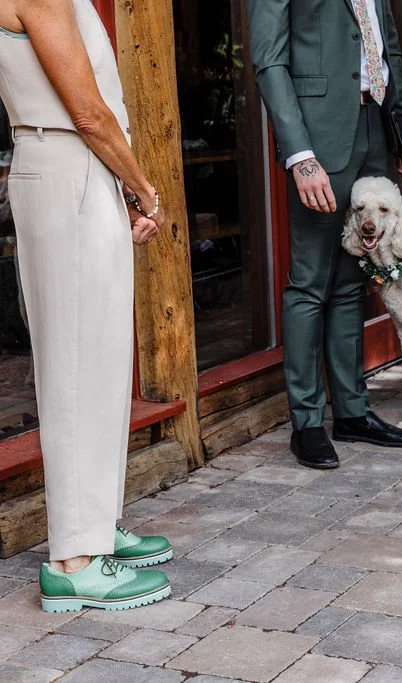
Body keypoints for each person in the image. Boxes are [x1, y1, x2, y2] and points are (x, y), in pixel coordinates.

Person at [0, 0, 174, 611]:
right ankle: (73, 559)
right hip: (66, 161)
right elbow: (87, 112)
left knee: (98, 356)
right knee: (75, 363)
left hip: (75, 167)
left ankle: (95, 524)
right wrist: (145, 188)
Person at [248, 0, 402, 469]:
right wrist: (299, 154)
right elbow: (269, 60)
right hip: (318, 135)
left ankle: (351, 412)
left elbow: (389, 50)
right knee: (310, 281)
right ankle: (307, 423)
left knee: (352, 280)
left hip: (375, 127)